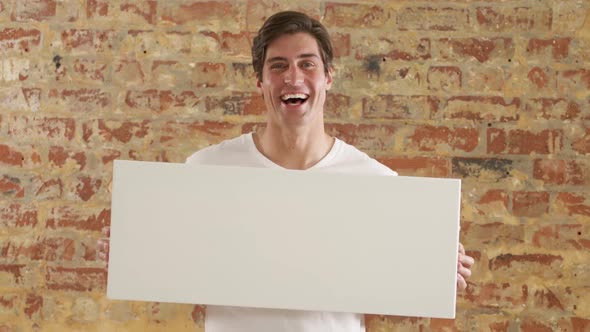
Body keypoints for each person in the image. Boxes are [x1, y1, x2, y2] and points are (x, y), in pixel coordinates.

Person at [101, 10, 474, 332]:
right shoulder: (207, 171)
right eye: (278, 65)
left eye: (306, 64)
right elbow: (171, 262)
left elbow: (395, 280)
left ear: (327, 76)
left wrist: (434, 268)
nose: (292, 77)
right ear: (260, 80)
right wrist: (131, 250)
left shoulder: (374, 182)